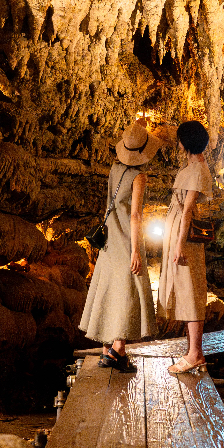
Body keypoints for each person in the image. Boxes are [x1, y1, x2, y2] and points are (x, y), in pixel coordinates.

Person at [78, 117, 162, 372]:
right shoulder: (139, 176)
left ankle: (108, 350)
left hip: (109, 240)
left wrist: (139, 125)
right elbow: (135, 215)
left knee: (110, 290)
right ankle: (118, 350)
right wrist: (136, 250)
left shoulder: (115, 169)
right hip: (126, 238)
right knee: (128, 291)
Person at [159, 119, 212, 375]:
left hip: (184, 236)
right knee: (184, 287)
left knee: (191, 289)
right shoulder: (192, 166)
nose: (177, 143)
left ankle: (195, 354)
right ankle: (192, 349)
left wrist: (179, 245)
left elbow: (188, 209)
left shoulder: (198, 169)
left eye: (179, 139)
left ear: (185, 142)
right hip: (176, 231)